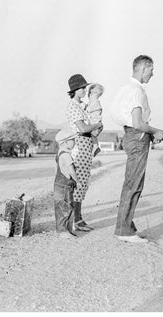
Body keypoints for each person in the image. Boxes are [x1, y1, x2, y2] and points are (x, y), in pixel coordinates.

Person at [111, 55, 163, 243]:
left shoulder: (125, 88)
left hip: (130, 136)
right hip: (137, 136)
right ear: (143, 69)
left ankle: (126, 226)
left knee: (131, 183)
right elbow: (138, 123)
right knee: (134, 184)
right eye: (151, 69)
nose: (153, 73)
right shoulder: (137, 91)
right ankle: (123, 230)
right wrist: (155, 131)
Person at [66, 74, 103, 232]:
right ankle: (76, 220)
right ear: (75, 89)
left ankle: (78, 218)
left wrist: (96, 127)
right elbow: (82, 128)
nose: (84, 90)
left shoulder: (82, 106)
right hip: (80, 144)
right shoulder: (72, 106)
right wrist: (98, 124)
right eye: (82, 88)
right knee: (78, 183)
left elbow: (91, 126)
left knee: (83, 183)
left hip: (86, 144)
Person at [53, 130, 81, 239]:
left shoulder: (59, 153)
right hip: (65, 185)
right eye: (72, 140)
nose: (74, 142)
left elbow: (56, 169)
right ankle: (63, 231)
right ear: (65, 143)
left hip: (58, 184)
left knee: (62, 207)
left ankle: (65, 229)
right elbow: (71, 170)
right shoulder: (66, 155)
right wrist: (77, 181)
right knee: (66, 207)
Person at [86, 83, 105, 157]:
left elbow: (91, 109)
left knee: (92, 135)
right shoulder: (92, 101)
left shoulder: (95, 101)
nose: (92, 95)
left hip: (96, 122)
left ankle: (95, 146)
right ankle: (95, 146)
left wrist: (86, 109)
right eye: (92, 93)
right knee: (93, 136)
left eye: (95, 93)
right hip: (96, 122)